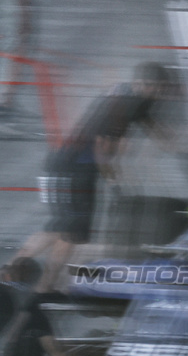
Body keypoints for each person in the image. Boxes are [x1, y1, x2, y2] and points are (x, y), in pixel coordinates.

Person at [17, 62, 172, 290]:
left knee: (60, 228)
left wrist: (174, 141)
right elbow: (102, 146)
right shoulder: (127, 104)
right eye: (156, 88)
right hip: (76, 170)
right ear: (142, 84)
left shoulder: (128, 95)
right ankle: (43, 288)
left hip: (65, 166)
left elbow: (152, 126)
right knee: (71, 234)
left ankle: (14, 276)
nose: (159, 93)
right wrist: (113, 179)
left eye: (162, 89)